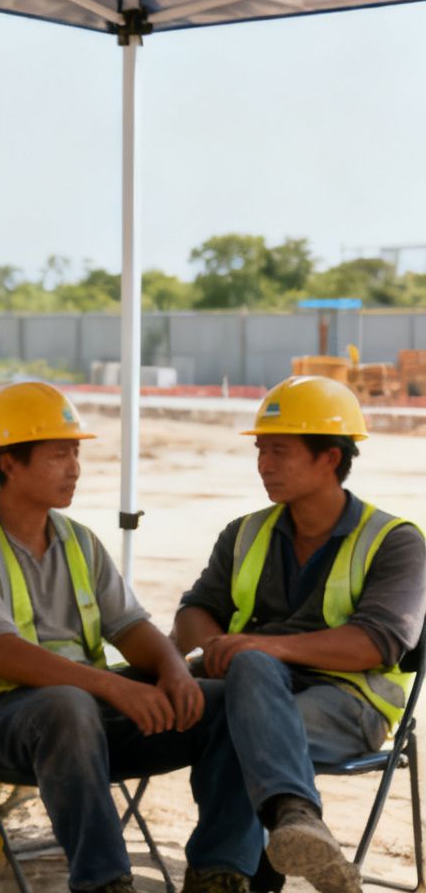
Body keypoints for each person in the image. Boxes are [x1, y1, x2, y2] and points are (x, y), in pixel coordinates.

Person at [0, 382, 260, 893]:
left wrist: (174, 670)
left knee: (226, 701)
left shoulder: (79, 540)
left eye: (77, 453)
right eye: (59, 454)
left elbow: (130, 627)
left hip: (83, 717)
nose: (75, 467)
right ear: (8, 462)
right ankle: (104, 882)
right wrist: (113, 688)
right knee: (67, 704)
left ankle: (220, 871)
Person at [174, 376, 425, 893]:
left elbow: (376, 643)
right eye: (261, 450)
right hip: (249, 693)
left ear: (330, 458)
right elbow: (193, 614)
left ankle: (222, 877)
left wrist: (257, 648)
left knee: (235, 718)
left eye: (280, 451)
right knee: (239, 689)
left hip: (347, 702)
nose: (264, 464)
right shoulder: (244, 531)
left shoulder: (395, 542)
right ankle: (296, 820)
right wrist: (217, 646)